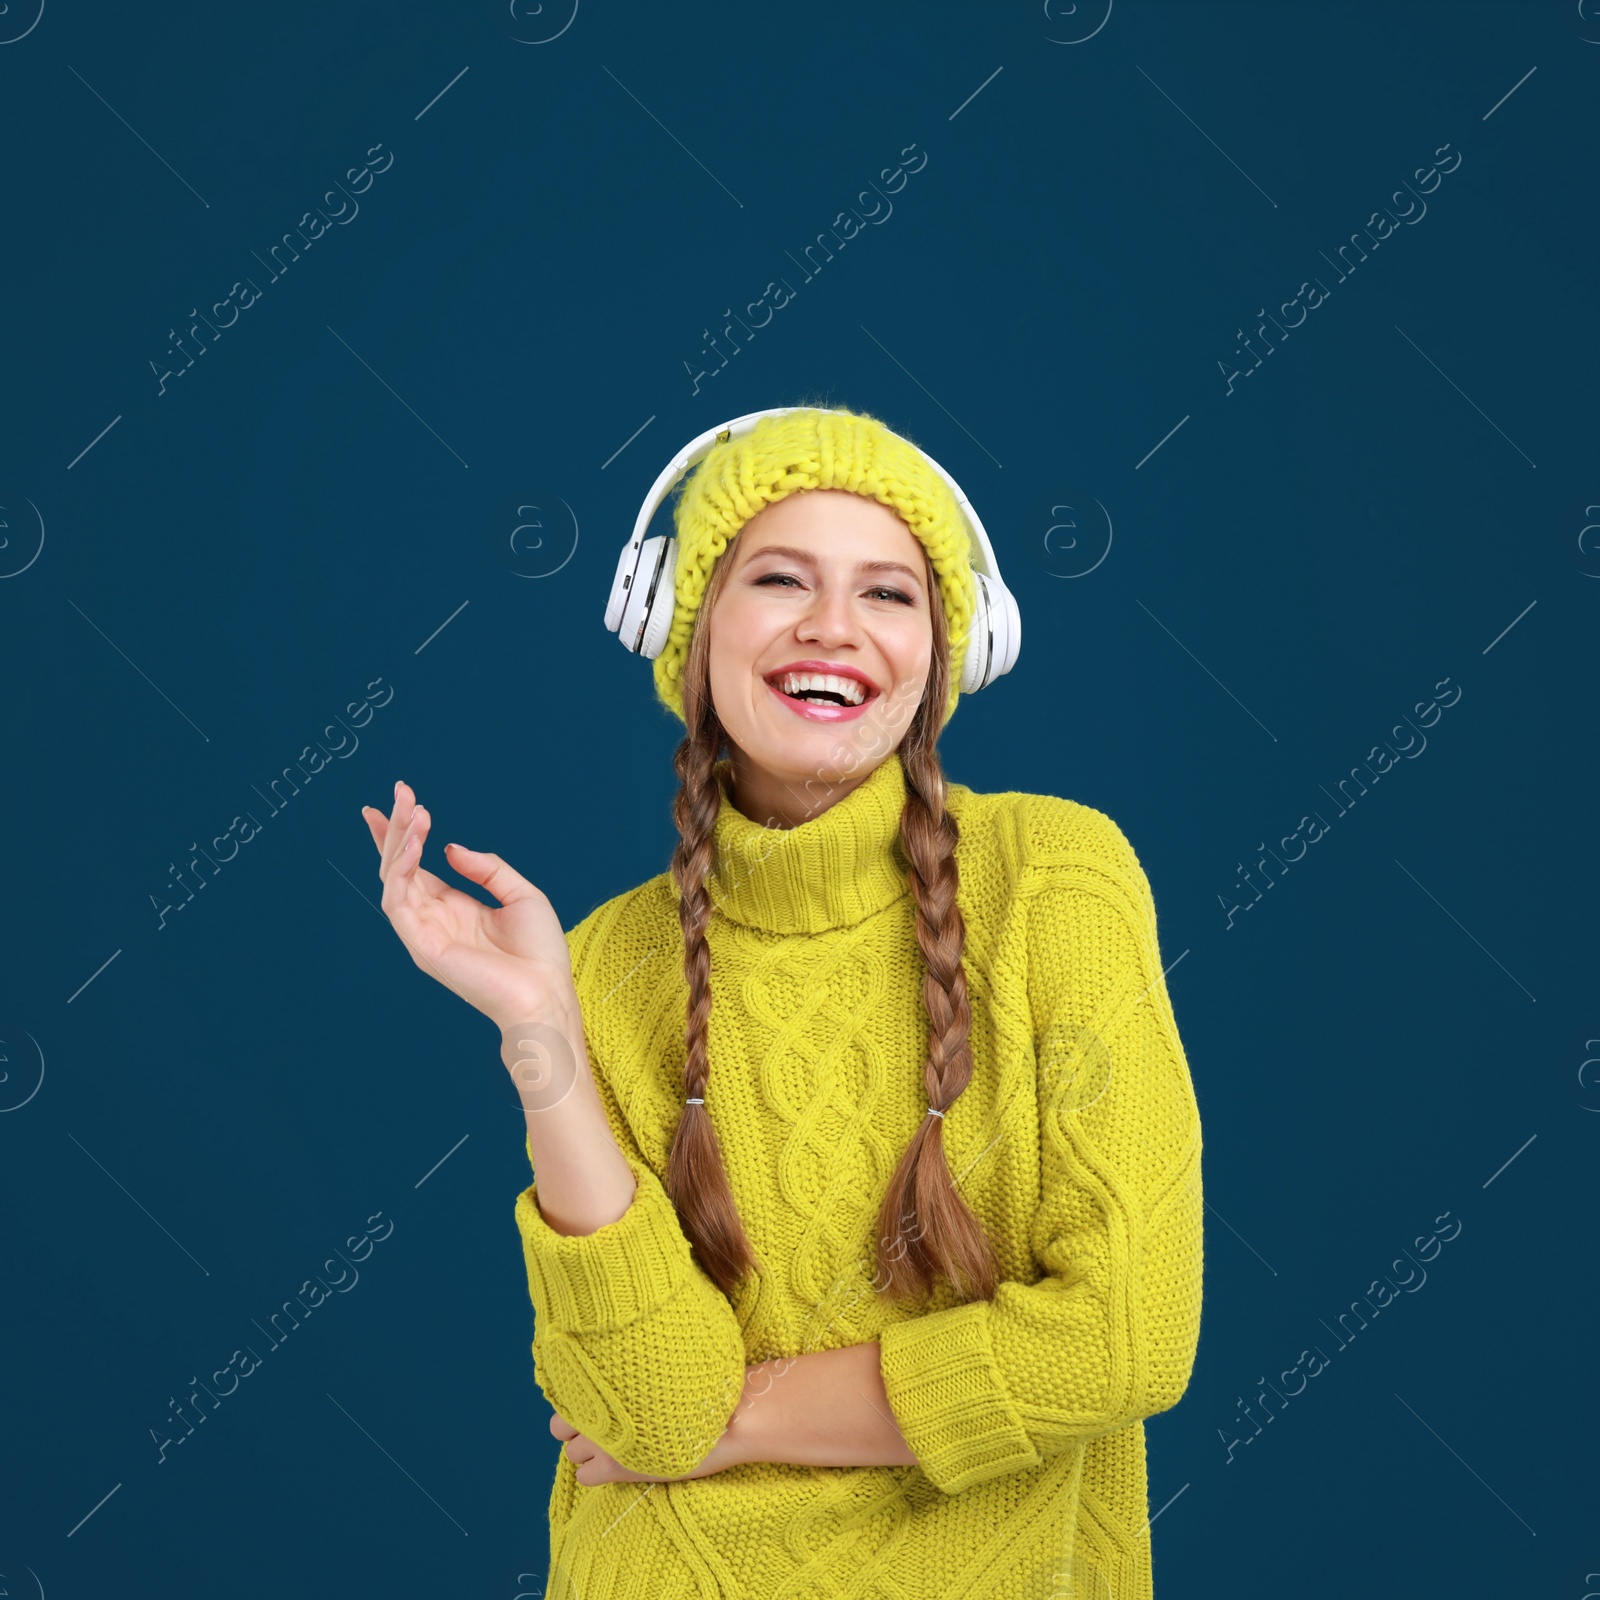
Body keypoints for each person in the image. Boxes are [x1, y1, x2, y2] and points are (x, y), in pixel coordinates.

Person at [361, 406, 1204, 1599]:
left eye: (888, 593)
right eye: (779, 578)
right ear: (682, 627)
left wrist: (744, 1416)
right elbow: (651, 1413)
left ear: (951, 647)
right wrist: (539, 1036)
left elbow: (1120, 1337)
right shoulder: (602, 962)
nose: (832, 629)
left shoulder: (1053, 879)